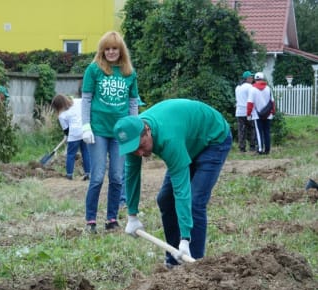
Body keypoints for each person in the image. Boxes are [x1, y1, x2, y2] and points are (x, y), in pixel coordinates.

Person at [113, 99, 232, 268]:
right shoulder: (133, 141)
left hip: (212, 138)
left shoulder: (169, 139)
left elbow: (182, 191)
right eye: (134, 150)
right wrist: (132, 216)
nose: (139, 153)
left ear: (147, 130)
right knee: (165, 199)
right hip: (186, 140)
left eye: (141, 146)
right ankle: (174, 258)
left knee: (195, 202)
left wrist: (185, 239)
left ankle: (194, 264)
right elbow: (131, 176)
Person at [81, 31, 139, 233]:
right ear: (102, 51)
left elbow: (133, 103)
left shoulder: (129, 73)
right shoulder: (94, 69)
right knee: (97, 177)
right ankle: (90, 220)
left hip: (119, 133)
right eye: (107, 49)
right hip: (98, 131)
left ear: (120, 50)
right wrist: (85, 125)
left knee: (116, 177)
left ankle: (111, 219)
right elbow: (87, 99)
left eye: (114, 48)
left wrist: (135, 126)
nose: (111, 52)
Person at [51, 94, 91, 180]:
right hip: (85, 131)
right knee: (85, 152)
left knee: (70, 154)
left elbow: (66, 130)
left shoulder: (61, 115)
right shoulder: (77, 101)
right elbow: (86, 105)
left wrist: (67, 136)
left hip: (74, 135)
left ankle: (69, 175)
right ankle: (88, 173)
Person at [247, 72, 275, 155]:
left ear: (255, 80)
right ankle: (267, 150)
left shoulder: (252, 89)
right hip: (268, 114)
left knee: (259, 133)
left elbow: (250, 103)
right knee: (267, 132)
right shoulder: (268, 88)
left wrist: (248, 114)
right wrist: (273, 112)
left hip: (257, 114)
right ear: (263, 79)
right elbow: (272, 102)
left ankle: (260, 149)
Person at [235, 71, 256, 152]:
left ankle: (242, 148)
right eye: (251, 77)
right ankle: (252, 146)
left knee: (241, 130)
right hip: (248, 111)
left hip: (239, 111)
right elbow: (252, 99)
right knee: (251, 129)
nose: (252, 79)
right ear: (247, 78)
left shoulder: (238, 87)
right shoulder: (250, 87)